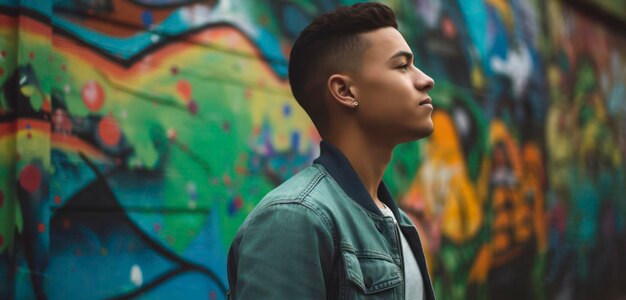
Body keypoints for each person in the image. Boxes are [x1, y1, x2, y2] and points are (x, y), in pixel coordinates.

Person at [227, 3, 436, 299]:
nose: (426, 79)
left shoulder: (398, 222)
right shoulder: (294, 218)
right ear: (345, 92)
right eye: (402, 65)